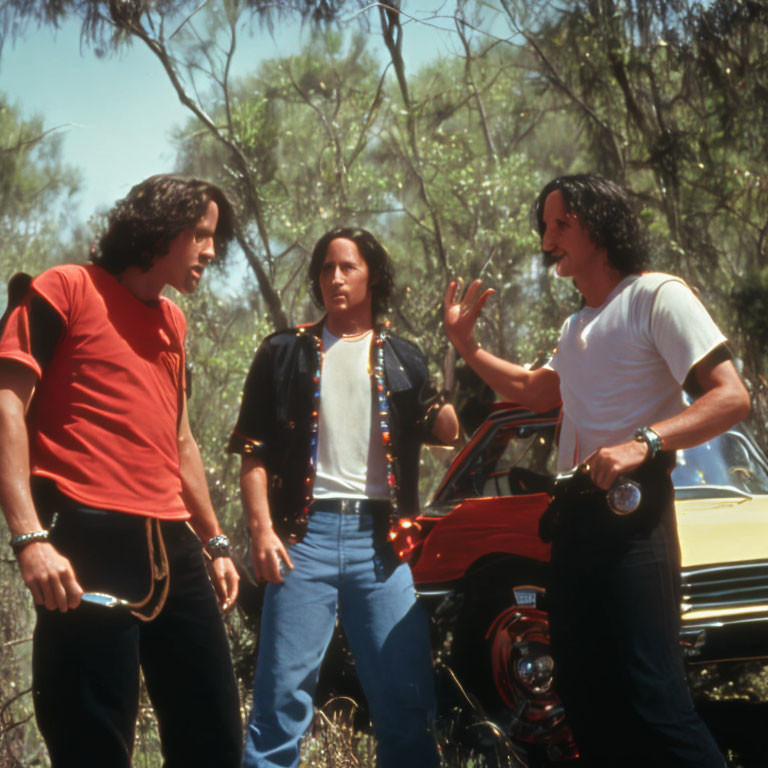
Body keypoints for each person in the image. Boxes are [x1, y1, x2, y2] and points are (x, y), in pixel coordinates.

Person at [443, 174, 750, 767]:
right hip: (575, 525)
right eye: (545, 227)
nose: (547, 239)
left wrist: (646, 442)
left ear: (601, 225)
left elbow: (731, 397)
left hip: (634, 518)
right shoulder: (577, 325)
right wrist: (467, 346)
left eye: (562, 224)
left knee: (654, 699)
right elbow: (538, 393)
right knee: (585, 698)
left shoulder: (657, 296)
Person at [0, 174, 243, 768]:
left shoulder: (174, 324)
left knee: (215, 738)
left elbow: (181, 440)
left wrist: (214, 543)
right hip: (85, 538)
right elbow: (6, 404)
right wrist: (30, 537)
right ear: (160, 229)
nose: (211, 252)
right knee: (92, 742)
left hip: (173, 547)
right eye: (201, 236)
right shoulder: (65, 288)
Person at [229, 227, 459, 768]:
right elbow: (252, 453)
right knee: (281, 704)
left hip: (382, 545)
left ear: (371, 275)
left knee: (407, 702)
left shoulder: (402, 355)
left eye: (347, 267)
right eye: (326, 268)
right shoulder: (283, 353)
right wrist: (262, 532)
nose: (334, 277)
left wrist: (460, 347)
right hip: (301, 540)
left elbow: (445, 430)